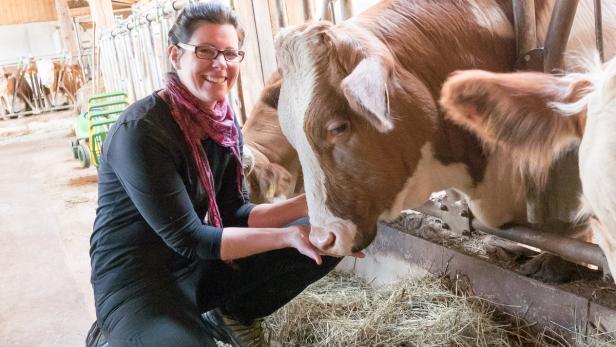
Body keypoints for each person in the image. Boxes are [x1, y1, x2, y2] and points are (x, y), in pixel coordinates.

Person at [88, 2, 361, 346]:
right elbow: (191, 238)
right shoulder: (141, 131)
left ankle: (231, 315)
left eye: (230, 54)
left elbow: (235, 214)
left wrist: (312, 203)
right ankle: (119, 335)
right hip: (139, 283)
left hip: (200, 269)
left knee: (324, 245)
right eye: (206, 51)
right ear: (175, 55)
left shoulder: (223, 125)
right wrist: (287, 236)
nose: (220, 64)